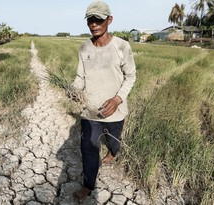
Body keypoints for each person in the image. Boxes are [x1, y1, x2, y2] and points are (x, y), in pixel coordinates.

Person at [70, 0, 136, 201]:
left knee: (113, 143)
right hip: (90, 112)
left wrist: (117, 99)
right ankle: (89, 185)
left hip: (115, 112)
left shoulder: (122, 46)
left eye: (98, 19)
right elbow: (80, 77)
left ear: (109, 20)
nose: (94, 24)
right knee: (89, 148)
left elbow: (131, 76)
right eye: (91, 20)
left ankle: (113, 153)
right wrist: (74, 89)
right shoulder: (84, 48)